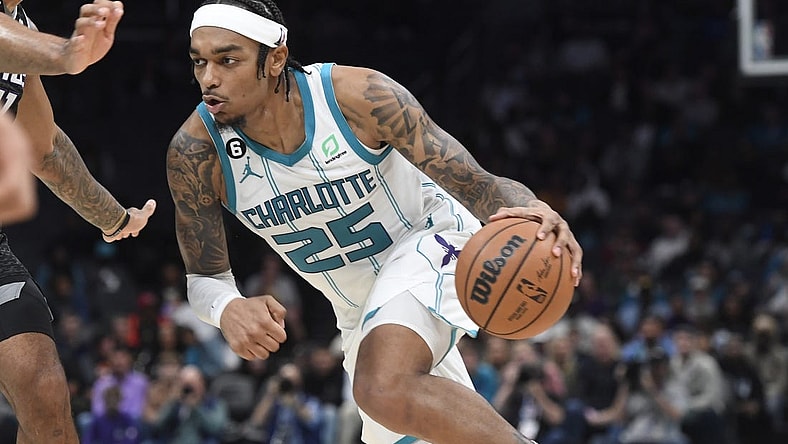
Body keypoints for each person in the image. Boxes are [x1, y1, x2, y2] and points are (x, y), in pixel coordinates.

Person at [166, 1, 583, 443]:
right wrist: (227, 306)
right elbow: (204, 276)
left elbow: (477, 184)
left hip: (431, 239)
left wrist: (533, 208)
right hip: (358, 309)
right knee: (404, 411)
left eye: (227, 60)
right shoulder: (194, 154)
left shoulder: (356, 96)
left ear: (274, 59)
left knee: (381, 386)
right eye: (199, 62)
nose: (208, 79)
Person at [0, 1, 157, 442]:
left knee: (46, 393)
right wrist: (65, 55)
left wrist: (114, 218)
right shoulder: (27, 42)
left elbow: (44, 149)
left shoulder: (22, 28)